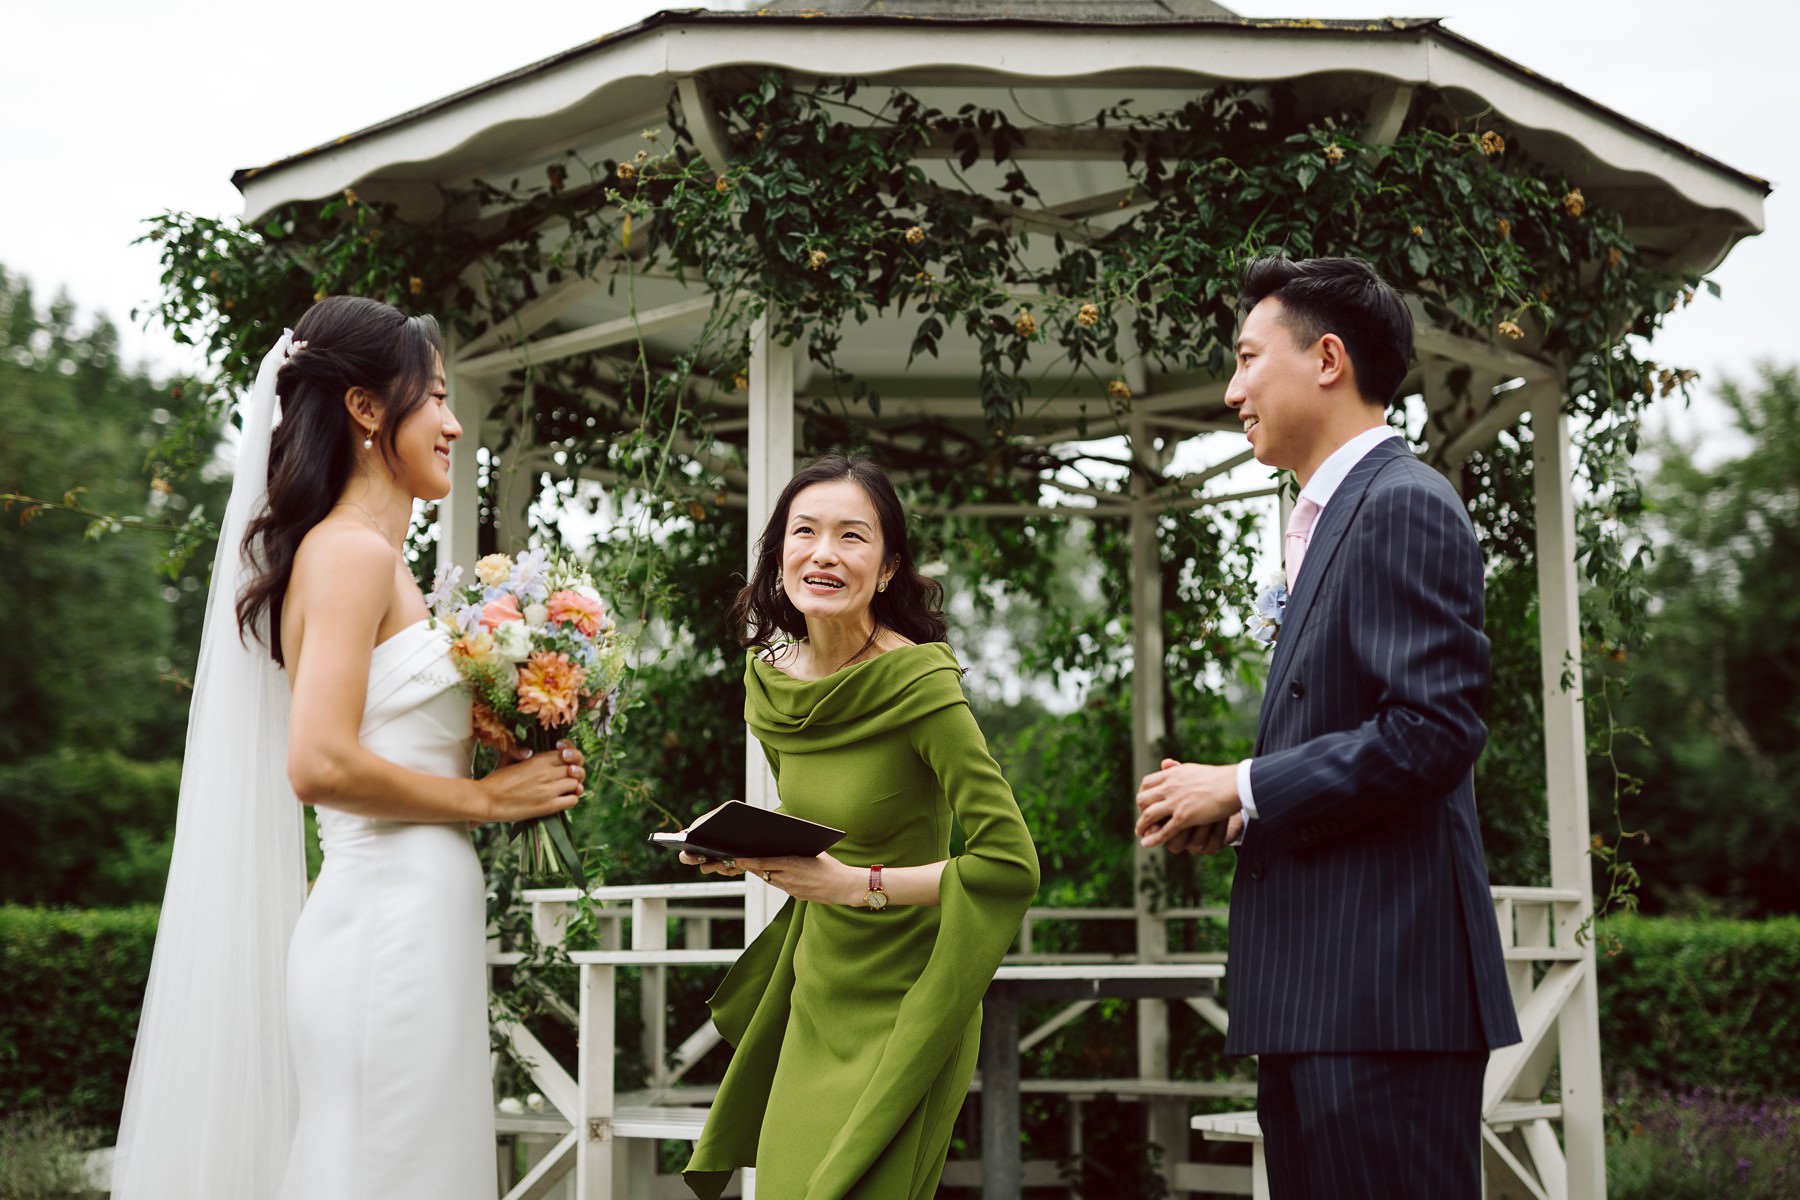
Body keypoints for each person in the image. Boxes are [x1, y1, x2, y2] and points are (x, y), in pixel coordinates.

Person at [112, 296, 585, 1200]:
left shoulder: (374, 557)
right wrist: (491, 800)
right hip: (384, 932)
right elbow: (317, 763)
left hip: (410, 921)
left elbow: (383, 742)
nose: (452, 424)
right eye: (434, 398)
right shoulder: (350, 556)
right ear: (367, 409)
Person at [1133, 256, 1521, 1197]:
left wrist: (1244, 782)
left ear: (1328, 359)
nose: (1230, 391)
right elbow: (1368, 736)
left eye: (1246, 359)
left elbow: (1433, 732)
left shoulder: (1402, 505)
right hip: (1324, 994)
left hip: (1382, 995)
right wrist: (1246, 813)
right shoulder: (1336, 513)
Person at [679, 454, 1040, 1199]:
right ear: (779, 556)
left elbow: (1010, 864)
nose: (824, 552)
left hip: (909, 1002)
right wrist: (742, 846)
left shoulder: (921, 686)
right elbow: (826, 820)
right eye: (805, 531)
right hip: (815, 996)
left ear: (885, 570)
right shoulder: (769, 687)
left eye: (852, 536)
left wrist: (856, 886)